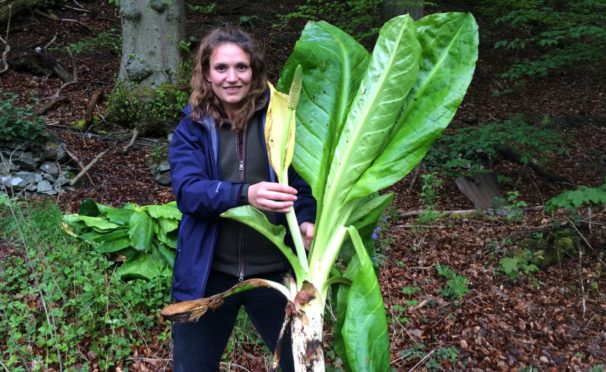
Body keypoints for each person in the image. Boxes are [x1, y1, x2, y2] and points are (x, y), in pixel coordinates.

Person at [168, 25, 316, 372]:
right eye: (221, 68)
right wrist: (245, 194)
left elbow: (301, 186)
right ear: (206, 73)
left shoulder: (280, 120)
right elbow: (189, 192)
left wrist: (307, 219)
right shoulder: (191, 127)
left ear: (254, 72)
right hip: (208, 276)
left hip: (276, 277)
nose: (231, 78)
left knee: (301, 366)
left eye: (241, 68)